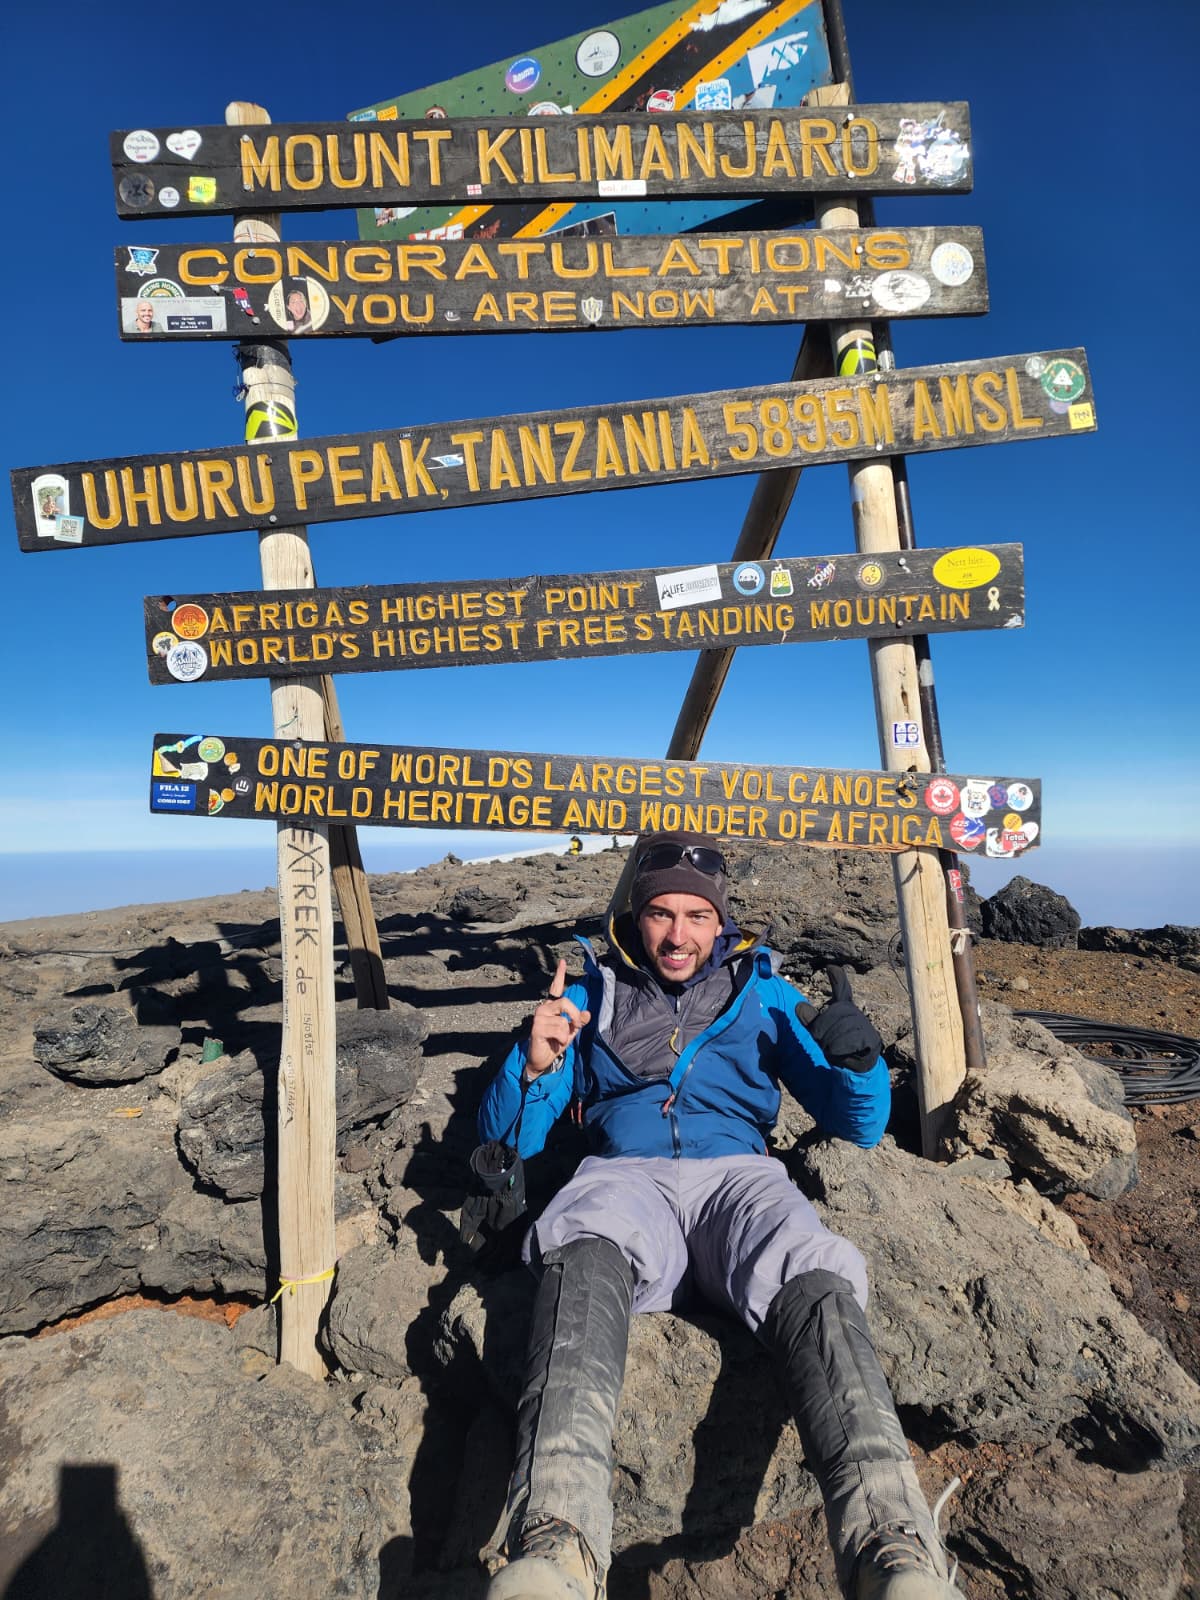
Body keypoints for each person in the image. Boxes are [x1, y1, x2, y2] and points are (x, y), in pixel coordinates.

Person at [477, 831, 962, 1600]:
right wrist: (531, 1067)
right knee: (585, 1240)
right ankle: (555, 1544)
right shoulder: (590, 992)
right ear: (635, 918)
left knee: (807, 1260)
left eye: (697, 916)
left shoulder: (763, 991)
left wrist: (861, 1065)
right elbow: (510, 1137)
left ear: (721, 921)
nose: (678, 935)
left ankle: (894, 1552)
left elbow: (856, 1123)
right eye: (661, 913)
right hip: (626, 1173)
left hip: (741, 1175)